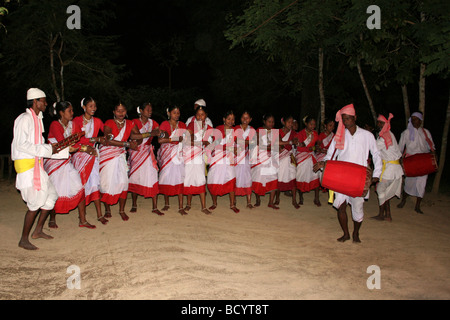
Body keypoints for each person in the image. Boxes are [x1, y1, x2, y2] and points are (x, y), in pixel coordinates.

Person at [314, 104, 382, 243]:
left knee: (357, 208)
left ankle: (356, 233)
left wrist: (377, 173)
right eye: (344, 119)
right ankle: (346, 234)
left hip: (358, 177)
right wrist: (324, 165)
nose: (346, 121)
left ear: (355, 118)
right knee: (341, 206)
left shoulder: (367, 135)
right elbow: (330, 155)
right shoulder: (339, 136)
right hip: (341, 176)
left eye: (349, 118)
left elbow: (376, 154)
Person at [12, 88, 70, 250]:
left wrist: (56, 149)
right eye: (43, 101)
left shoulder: (37, 119)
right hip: (27, 168)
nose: (46, 103)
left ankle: (37, 231)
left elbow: (39, 147)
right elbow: (22, 145)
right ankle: (23, 239)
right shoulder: (24, 119)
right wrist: (50, 149)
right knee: (35, 203)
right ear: (35, 102)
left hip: (37, 166)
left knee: (51, 197)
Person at [44, 101, 96, 230]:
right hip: (54, 162)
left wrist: (90, 143)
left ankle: (82, 220)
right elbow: (64, 144)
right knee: (55, 190)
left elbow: (80, 140)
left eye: (72, 110)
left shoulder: (73, 125)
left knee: (79, 186)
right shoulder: (55, 125)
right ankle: (52, 218)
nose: (72, 113)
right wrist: (84, 148)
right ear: (61, 113)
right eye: (69, 111)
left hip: (66, 161)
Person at [99, 103, 139, 221]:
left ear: (126, 111)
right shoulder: (109, 123)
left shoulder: (130, 123)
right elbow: (108, 140)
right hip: (107, 155)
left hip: (120, 155)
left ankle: (121, 210)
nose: (121, 113)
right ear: (114, 112)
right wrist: (127, 144)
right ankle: (107, 210)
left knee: (123, 182)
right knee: (106, 183)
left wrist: (137, 142)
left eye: (123, 111)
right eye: (118, 111)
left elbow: (138, 136)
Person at [72, 97, 108, 225]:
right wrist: (95, 140)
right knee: (82, 185)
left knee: (95, 183)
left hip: (92, 156)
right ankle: (82, 218)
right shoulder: (76, 121)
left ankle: (99, 215)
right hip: (80, 155)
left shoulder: (97, 121)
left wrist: (109, 134)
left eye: (95, 106)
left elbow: (106, 132)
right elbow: (76, 140)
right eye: (90, 106)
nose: (93, 109)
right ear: (84, 107)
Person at [128, 103, 162, 215]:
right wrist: (151, 133)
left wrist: (162, 133)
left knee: (152, 176)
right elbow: (133, 136)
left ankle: (155, 207)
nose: (150, 111)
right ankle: (134, 204)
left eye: (151, 109)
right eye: (147, 109)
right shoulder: (134, 122)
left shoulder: (153, 122)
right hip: (136, 152)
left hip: (147, 152)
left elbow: (159, 132)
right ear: (141, 111)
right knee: (135, 177)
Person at [397, 111, 435, 214]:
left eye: (416, 119)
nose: (414, 121)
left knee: (422, 184)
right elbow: (400, 148)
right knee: (409, 183)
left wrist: (433, 160)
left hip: (424, 161)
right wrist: (400, 162)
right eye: (412, 119)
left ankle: (417, 206)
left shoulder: (426, 132)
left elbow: (431, 147)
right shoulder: (406, 133)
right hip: (411, 162)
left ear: (420, 120)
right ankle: (403, 200)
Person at [371, 113, 403, 222]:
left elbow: (373, 147)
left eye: (380, 123)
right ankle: (388, 215)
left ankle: (381, 214)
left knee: (380, 189)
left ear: (383, 124)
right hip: (395, 168)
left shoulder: (384, 137)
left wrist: (369, 134)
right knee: (385, 191)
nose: (378, 124)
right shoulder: (390, 134)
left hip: (390, 169)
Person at [207, 110, 240, 213]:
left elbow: (239, 147)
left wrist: (235, 149)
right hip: (217, 158)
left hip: (229, 158)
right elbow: (216, 145)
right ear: (224, 119)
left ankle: (232, 204)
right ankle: (214, 203)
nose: (230, 121)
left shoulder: (235, 131)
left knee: (231, 179)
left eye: (232, 119)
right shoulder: (218, 129)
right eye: (228, 119)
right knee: (214, 179)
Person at [157, 106, 188, 215]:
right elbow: (160, 140)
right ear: (169, 113)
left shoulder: (183, 125)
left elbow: (186, 139)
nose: (177, 115)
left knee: (180, 177)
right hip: (167, 154)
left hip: (178, 154)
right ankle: (167, 203)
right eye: (174, 112)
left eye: (178, 113)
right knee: (166, 177)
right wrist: (175, 139)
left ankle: (180, 206)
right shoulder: (164, 124)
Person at [183, 105, 213, 214]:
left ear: (206, 116)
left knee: (201, 179)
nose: (200, 117)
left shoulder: (208, 128)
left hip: (200, 156)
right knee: (189, 178)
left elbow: (212, 142)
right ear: (195, 116)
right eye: (198, 114)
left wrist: (209, 145)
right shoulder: (192, 125)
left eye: (202, 114)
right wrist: (201, 143)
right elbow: (186, 140)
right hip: (190, 155)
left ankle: (204, 207)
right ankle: (188, 204)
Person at [251, 113, 280, 209]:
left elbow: (278, 145)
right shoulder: (259, 130)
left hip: (272, 157)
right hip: (261, 157)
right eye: (269, 121)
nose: (271, 124)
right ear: (264, 122)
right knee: (259, 177)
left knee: (273, 177)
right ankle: (258, 199)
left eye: (273, 122)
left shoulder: (275, 132)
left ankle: (271, 202)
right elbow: (257, 144)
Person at [295, 116, 321, 206]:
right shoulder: (300, 134)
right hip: (302, 156)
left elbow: (317, 147)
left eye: (314, 124)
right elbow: (299, 146)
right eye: (311, 124)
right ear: (306, 124)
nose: (313, 126)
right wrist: (305, 146)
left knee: (315, 174)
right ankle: (301, 197)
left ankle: (316, 198)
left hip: (311, 155)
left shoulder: (315, 134)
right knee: (300, 176)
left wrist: (312, 148)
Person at [274, 115, 299, 209]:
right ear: (283, 122)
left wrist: (295, 142)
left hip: (290, 156)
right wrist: (289, 142)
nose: (291, 124)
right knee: (279, 176)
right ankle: (277, 198)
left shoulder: (293, 133)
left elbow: (295, 142)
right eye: (289, 122)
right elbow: (278, 143)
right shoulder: (278, 131)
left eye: (292, 122)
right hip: (281, 156)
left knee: (293, 176)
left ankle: (294, 200)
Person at [233, 110, 257, 209]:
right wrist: (247, 141)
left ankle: (249, 201)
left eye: (247, 118)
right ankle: (233, 200)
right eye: (243, 117)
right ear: (240, 118)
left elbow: (253, 143)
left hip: (245, 155)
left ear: (250, 119)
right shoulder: (236, 128)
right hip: (235, 154)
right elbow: (234, 140)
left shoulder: (252, 130)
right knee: (235, 176)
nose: (245, 119)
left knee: (247, 177)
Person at [315, 118, 335, 193]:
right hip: (321, 154)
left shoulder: (334, 136)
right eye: (330, 125)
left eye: (333, 126)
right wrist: (321, 149)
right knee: (322, 164)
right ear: (325, 126)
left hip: (330, 155)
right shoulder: (321, 135)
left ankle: (327, 184)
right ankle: (321, 184)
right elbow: (318, 146)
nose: (332, 128)